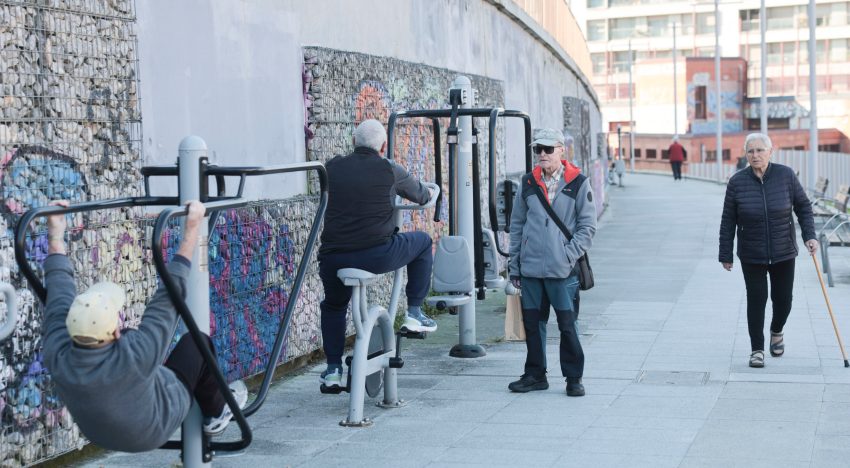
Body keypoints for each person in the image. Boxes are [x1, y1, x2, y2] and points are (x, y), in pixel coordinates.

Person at [42, 200, 246, 453]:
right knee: (197, 342)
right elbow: (167, 298)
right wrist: (192, 229)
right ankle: (216, 413)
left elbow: (59, 293)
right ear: (114, 332)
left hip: (100, 434)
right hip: (154, 428)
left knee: (147, 351)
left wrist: (55, 234)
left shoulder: (56, 350)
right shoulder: (135, 354)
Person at [318, 119, 437, 389]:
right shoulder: (390, 169)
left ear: (353, 142)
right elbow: (421, 196)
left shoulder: (331, 167)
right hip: (375, 255)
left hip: (334, 258)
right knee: (422, 242)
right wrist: (428, 191)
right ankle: (415, 312)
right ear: (383, 146)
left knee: (334, 305)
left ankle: (333, 369)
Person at [507, 128, 597, 397]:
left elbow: (587, 227)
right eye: (538, 149)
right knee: (534, 325)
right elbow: (517, 225)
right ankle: (535, 375)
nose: (542, 154)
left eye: (548, 148)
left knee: (568, 325)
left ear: (561, 150)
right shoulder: (528, 183)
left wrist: (567, 255)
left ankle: (573, 378)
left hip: (563, 271)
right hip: (531, 268)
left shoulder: (578, 183)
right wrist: (515, 265)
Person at [718, 132, 817, 368]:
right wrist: (725, 253)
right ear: (746, 154)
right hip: (752, 253)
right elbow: (728, 219)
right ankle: (757, 349)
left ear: (771, 152)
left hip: (783, 250)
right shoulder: (737, 182)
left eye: (760, 150)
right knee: (757, 299)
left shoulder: (785, 176)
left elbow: (803, 206)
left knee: (783, 300)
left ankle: (777, 330)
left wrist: (809, 236)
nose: (755, 155)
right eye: (750, 151)